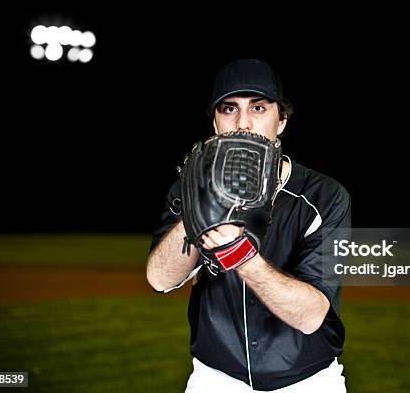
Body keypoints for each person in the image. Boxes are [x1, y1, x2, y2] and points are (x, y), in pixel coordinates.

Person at [146, 59, 351, 392]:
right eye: (229, 109)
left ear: (281, 120)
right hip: (216, 378)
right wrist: (197, 208)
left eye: (258, 107)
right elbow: (159, 279)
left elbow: (311, 316)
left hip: (307, 382)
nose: (242, 123)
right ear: (214, 121)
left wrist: (240, 256)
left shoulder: (324, 196)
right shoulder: (189, 186)